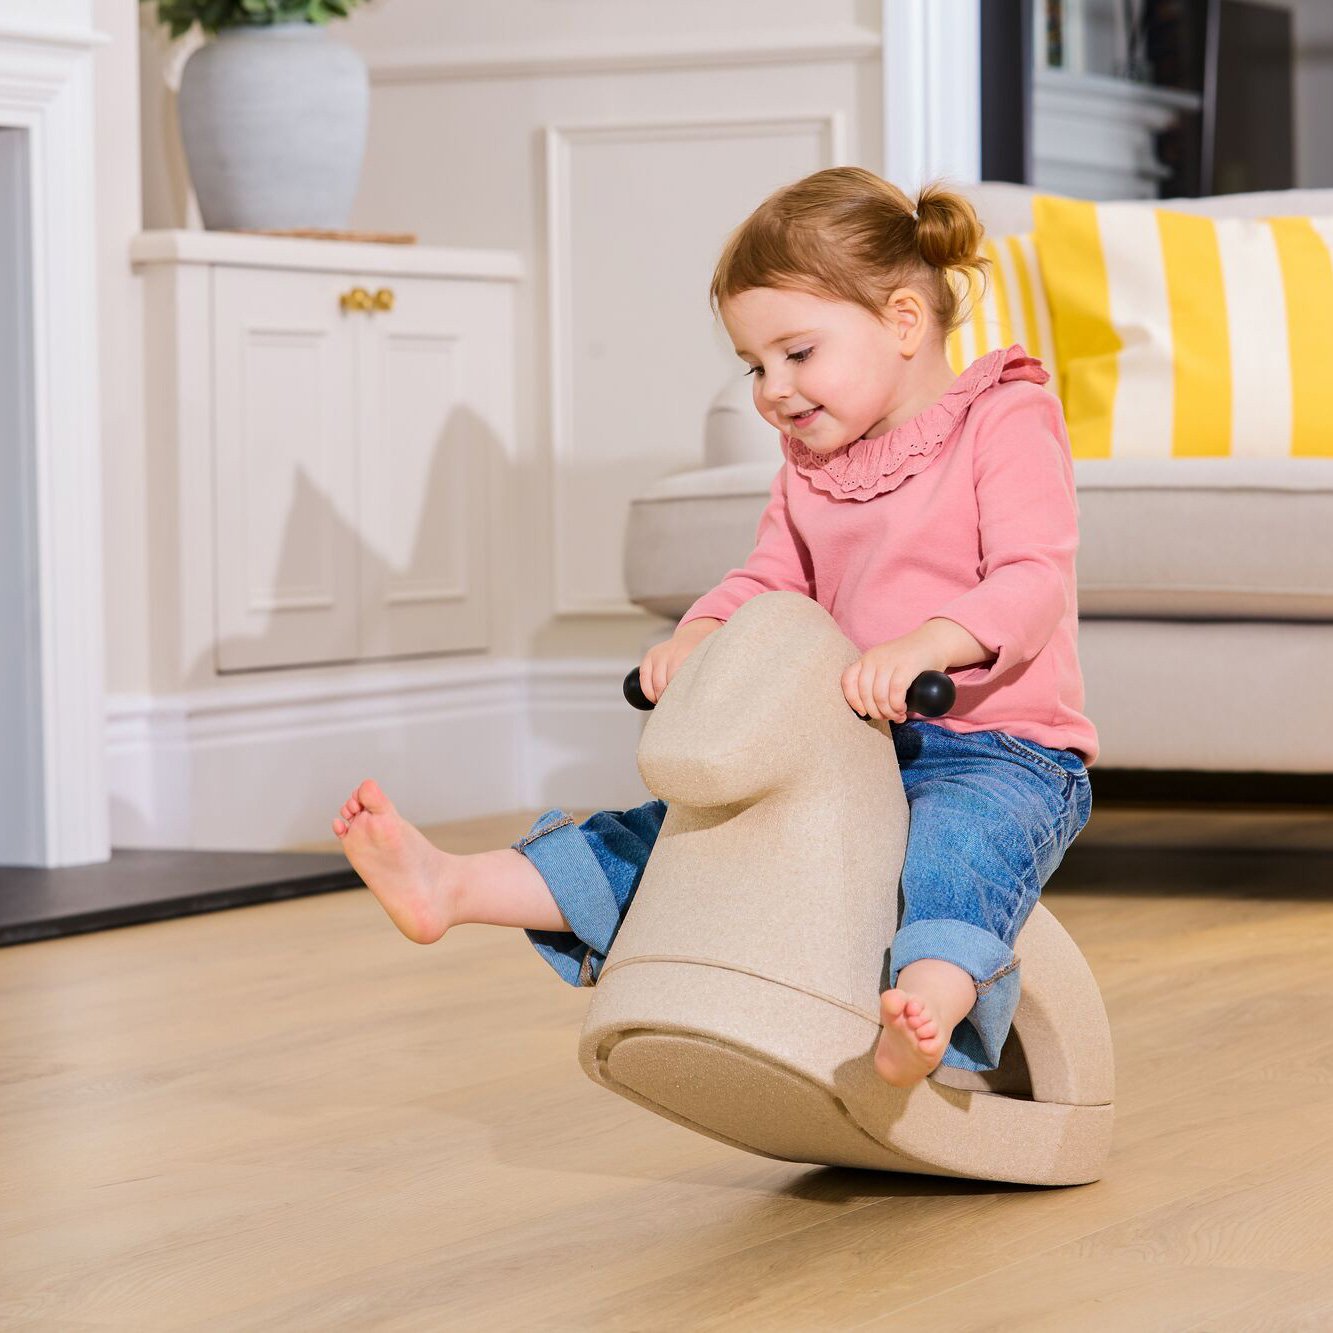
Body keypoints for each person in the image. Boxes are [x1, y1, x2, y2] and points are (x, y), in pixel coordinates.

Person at [332, 165, 1097, 1091]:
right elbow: (770, 577)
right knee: (683, 831)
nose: (772, 388)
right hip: (848, 741)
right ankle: (454, 888)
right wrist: (700, 635)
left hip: (997, 748)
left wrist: (932, 642)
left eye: (797, 352)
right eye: (754, 365)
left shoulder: (1004, 417)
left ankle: (925, 1007)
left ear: (902, 321)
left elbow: (1030, 579)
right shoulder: (812, 463)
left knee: (959, 849)